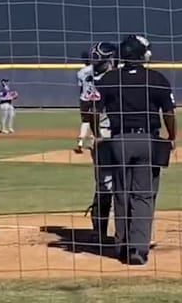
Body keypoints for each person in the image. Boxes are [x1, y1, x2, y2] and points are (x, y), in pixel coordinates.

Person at [93, 34, 176, 265]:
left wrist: (97, 134)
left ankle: (121, 245)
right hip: (147, 140)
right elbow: (168, 112)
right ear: (143, 56)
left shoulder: (108, 79)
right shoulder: (156, 78)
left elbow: (91, 110)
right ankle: (137, 249)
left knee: (121, 192)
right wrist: (172, 136)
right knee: (143, 195)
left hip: (118, 141)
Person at [75, 42, 119, 243]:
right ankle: (101, 229)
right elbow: (86, 110)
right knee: (107, 185)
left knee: (108, 185)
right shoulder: (95, 78)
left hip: (111, 135)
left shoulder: (88, 75)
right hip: (108, 134)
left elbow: (85, 110)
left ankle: (112, 230)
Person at [75, 42, 117, 153]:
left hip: (86, 99)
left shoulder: (82, 72)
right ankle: (95, 139)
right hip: (100, 105)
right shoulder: (113, 76)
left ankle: (82, 141)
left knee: (86, 122)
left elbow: (81, 88)